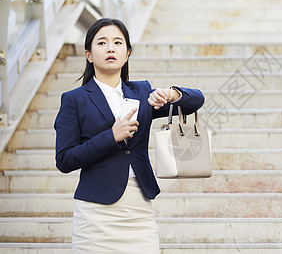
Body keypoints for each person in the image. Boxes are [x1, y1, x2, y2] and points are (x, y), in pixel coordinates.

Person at [54, 18, 204, 253]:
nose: (110, 48)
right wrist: (110, 137)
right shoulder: (74, 99)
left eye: (117, 42)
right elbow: (64, 160)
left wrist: (171, 93)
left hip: (139, 210)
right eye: (102, 43)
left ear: (127, 53)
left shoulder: (143, 92)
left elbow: (197, 100)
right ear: (89, 54)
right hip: (96, 213)